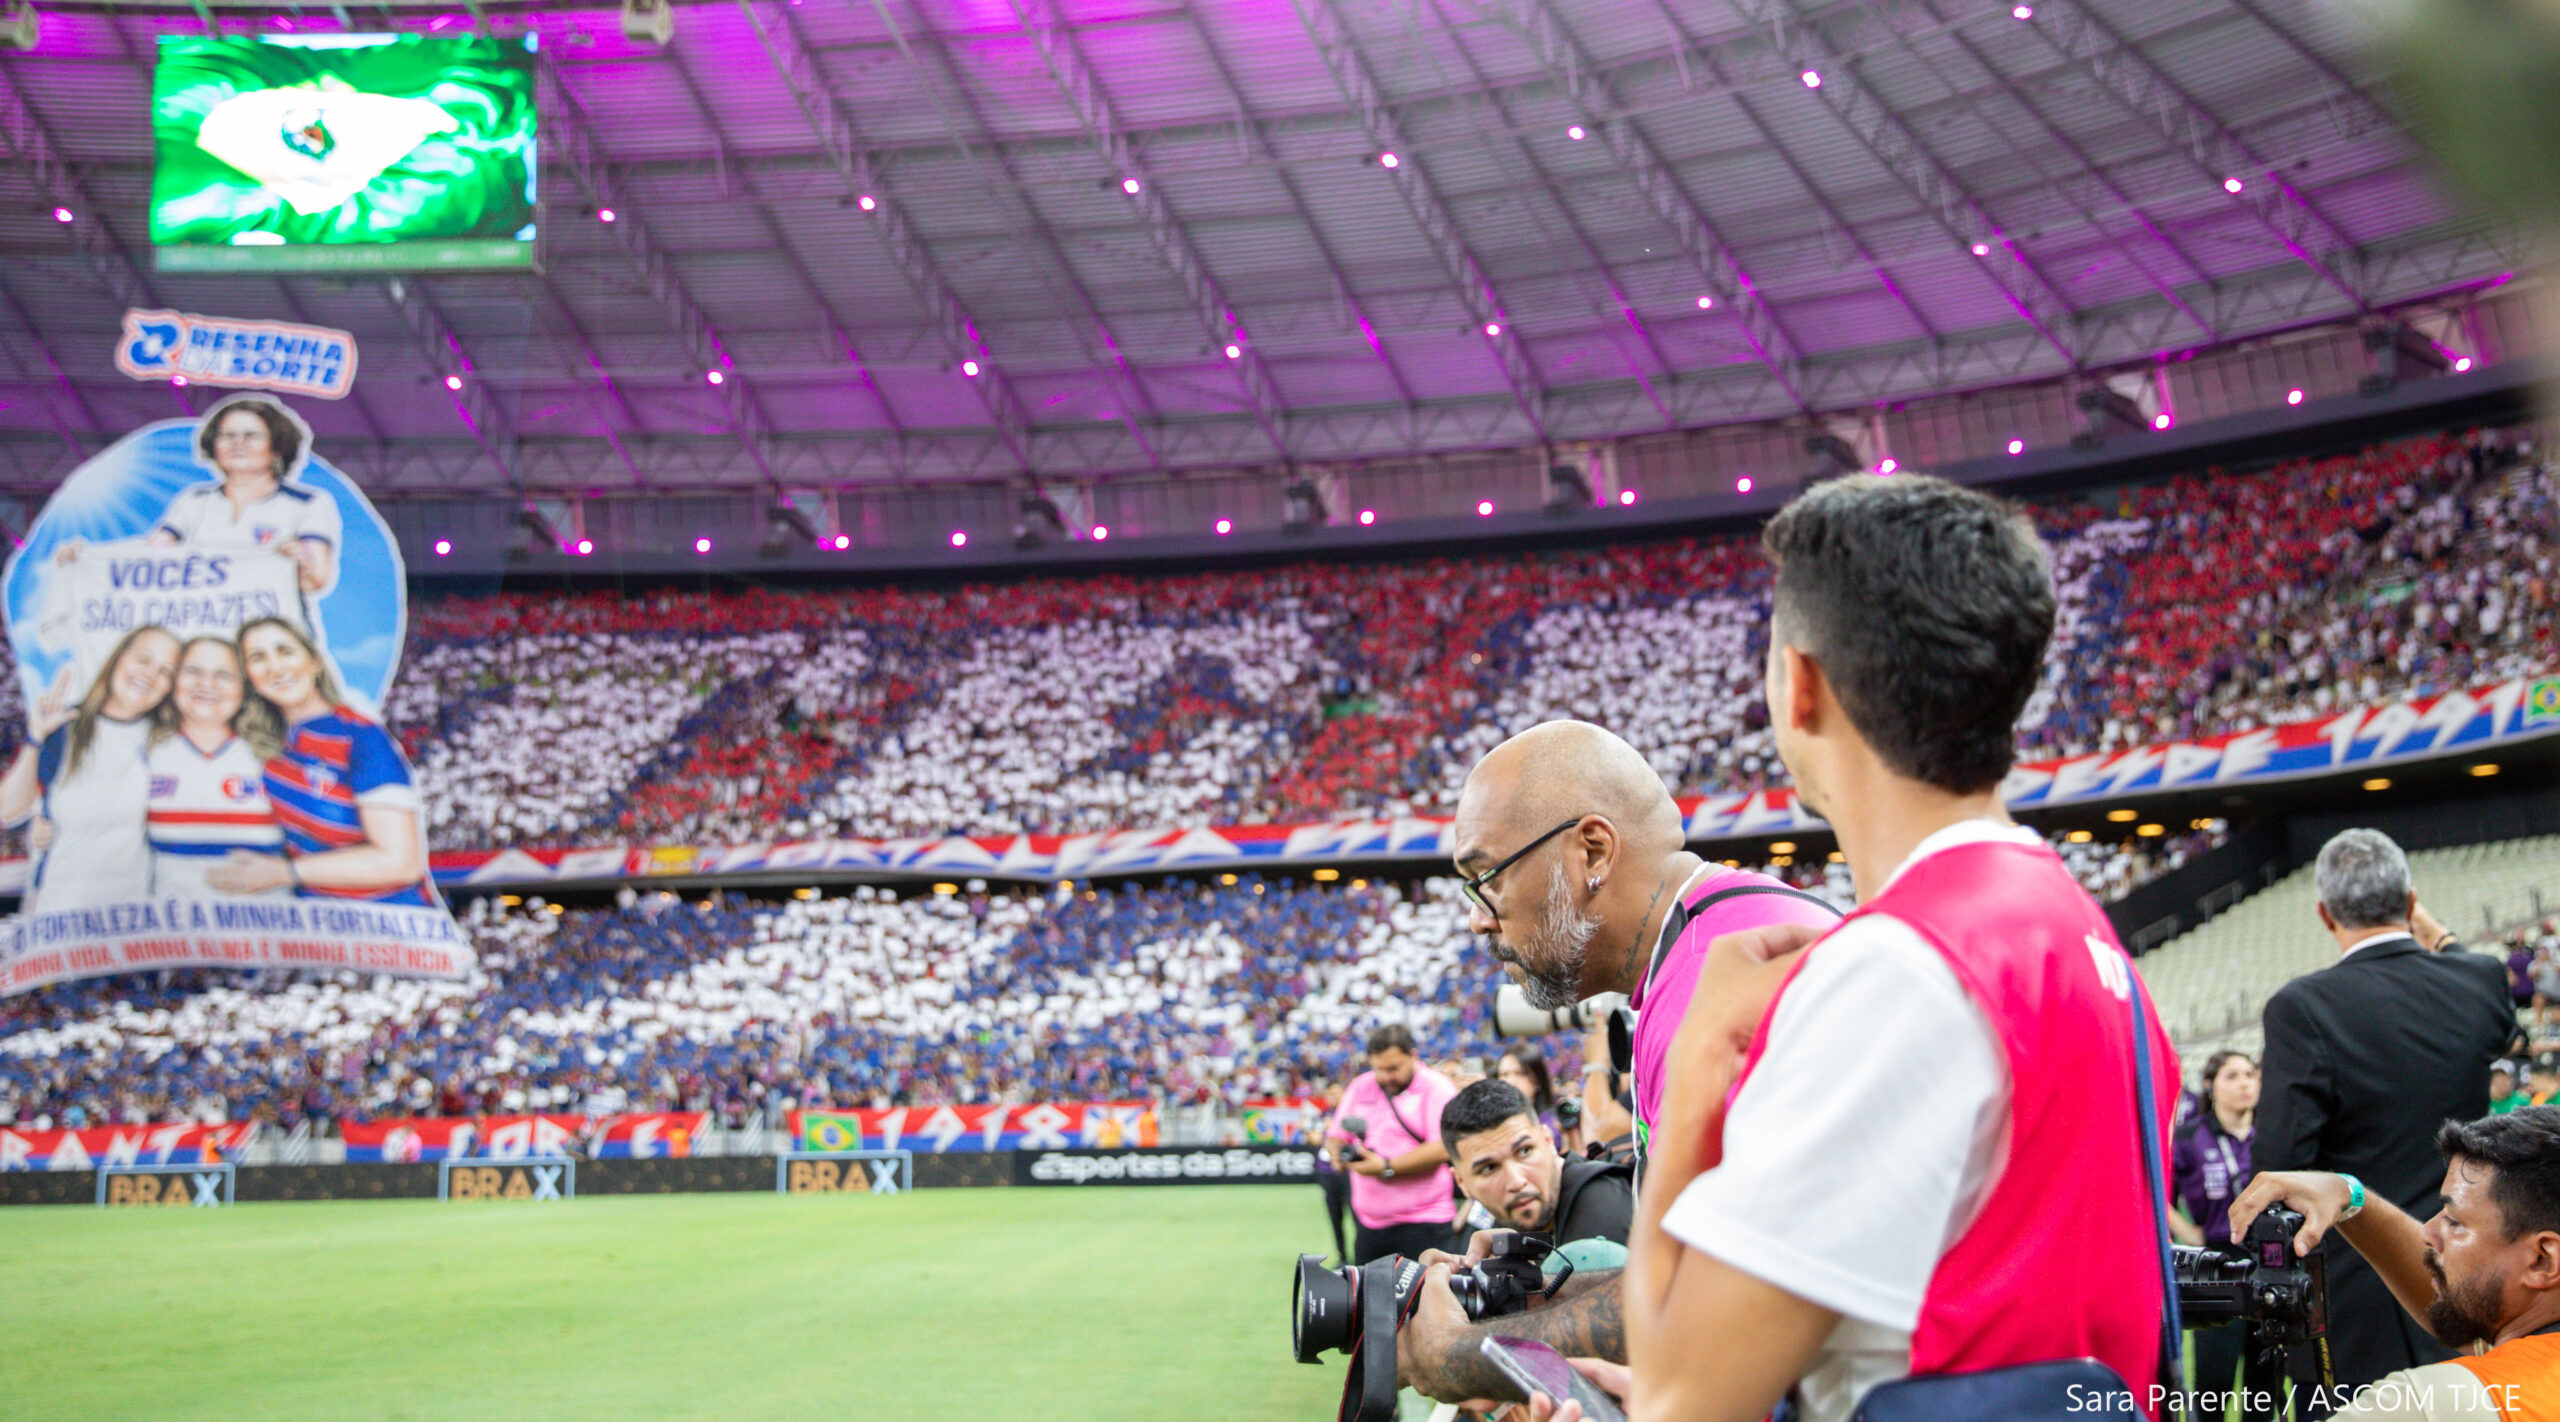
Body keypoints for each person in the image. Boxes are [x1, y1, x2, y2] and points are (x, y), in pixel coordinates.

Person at [1540, 474, 2181, 1422]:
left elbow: (1682, 1402)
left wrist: (1701, 1062)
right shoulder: (2084, 936)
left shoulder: (1896, 972)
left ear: (1800, 686)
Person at [1397, 720, 1841, 1404]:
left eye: (1485, 877)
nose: (1481, 919)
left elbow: (1714, 1303)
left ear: (1593, 850)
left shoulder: (1711, 981)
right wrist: (1529, 1297)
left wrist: (1464, 1353)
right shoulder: (1710, 940)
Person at [2257, 828, 2518, 1410]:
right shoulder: (2476, 979)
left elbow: (2279, 1161)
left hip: (2359, 1291)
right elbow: (2492, 1003)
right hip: (2469, 1276)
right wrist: (2431, 927)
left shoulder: (2303, 1008)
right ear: (2409, 902)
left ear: (2325, 915)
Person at [2230, 1109, 2560, 1420]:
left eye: (2455, 1222)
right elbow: (2464, 1302)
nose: (2429, 1232)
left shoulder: (2431, 1403)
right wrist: (2352, 1197)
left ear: (2543, 1260)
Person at [208, 616, 435, 906]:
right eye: (258, 657)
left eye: (285, 651)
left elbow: (401, 862)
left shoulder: (361, 737)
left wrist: (285, 873)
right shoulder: (265, 741)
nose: (275, 667)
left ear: (315, 662)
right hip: (314, 928)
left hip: (384, 924)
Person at [0, 625, 179, 913]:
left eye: (166, 671)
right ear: (117, 659)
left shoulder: (168, 741)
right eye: (144, 659)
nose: (150, 675)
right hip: (58, 915)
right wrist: (36, 738)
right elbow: (7, 811)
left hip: (135, 925)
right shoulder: (64, 727)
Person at [2172, 1051, 2280, 1422]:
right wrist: (2186, 1231)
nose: (2245, 1083)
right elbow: (2156, 1192)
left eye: (2249, 1074)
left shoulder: (2272, 1134)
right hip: (2215, 1264)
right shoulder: (2189, 1138)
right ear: (2211, 1086)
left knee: (2265, 1380)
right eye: (2232, 1076)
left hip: (2268, 1259)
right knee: (2213, 1381)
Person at [151, 396, 340, 597]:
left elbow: (318, 579)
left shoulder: (307, 504)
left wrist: (303, 563)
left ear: (277, 446)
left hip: (271, 622)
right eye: (227, 436)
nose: (238, 444)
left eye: (251, 436)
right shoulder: (194, 501)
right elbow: (151, 558)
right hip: (200, 620)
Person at [144, 636, 287, 898]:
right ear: (173, 681)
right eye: (193, 671)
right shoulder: (145, 754)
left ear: (245, 689)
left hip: (262, 931)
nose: (206, 684)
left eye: (223, 675)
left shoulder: (278, 757)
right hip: (171, 932)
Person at [1439, 1078, 1633, 1256]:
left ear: (1548, 1141)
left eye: (1525, 1151)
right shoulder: (1490, 1227)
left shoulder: (1603, 1209)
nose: (1516, 1181)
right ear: (1462, 1182)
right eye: (1489, 1168)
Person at [1325, 1024, 1459, 1264]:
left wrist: (1387, 1165)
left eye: (1393, 1068)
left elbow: (1442, 1147)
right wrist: (1339, 1156)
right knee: (1369, 1300)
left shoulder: (1436, 1087)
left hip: (1425, 1222)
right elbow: (1336, 1135)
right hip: (1369, 1225)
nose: (1386, 1076)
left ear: (1413, 1057)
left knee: (1429, 1299)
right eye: (1378, 1069)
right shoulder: (1361, 1086)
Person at [1497, 1043, 1567, 1153]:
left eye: (1520, 1073)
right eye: (1504, 1074)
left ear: (1538, 1080)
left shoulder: (1553, 1122)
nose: (1510, 1081)